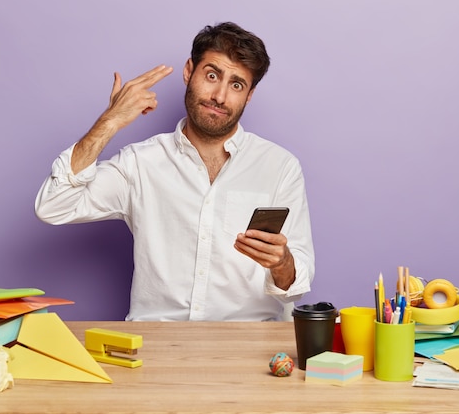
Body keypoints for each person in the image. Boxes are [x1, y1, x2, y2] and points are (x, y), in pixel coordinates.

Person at [35, 22, 315, 321]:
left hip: (246, 343)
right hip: (156, 342)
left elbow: (296, 286)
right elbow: (54, 206)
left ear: (249, 95)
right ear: (188, 72)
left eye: (236, 85)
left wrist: (282, 263)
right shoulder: (140, 163)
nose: (220, 96)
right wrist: (110, 122)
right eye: (211, 75)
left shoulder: (279, 166)